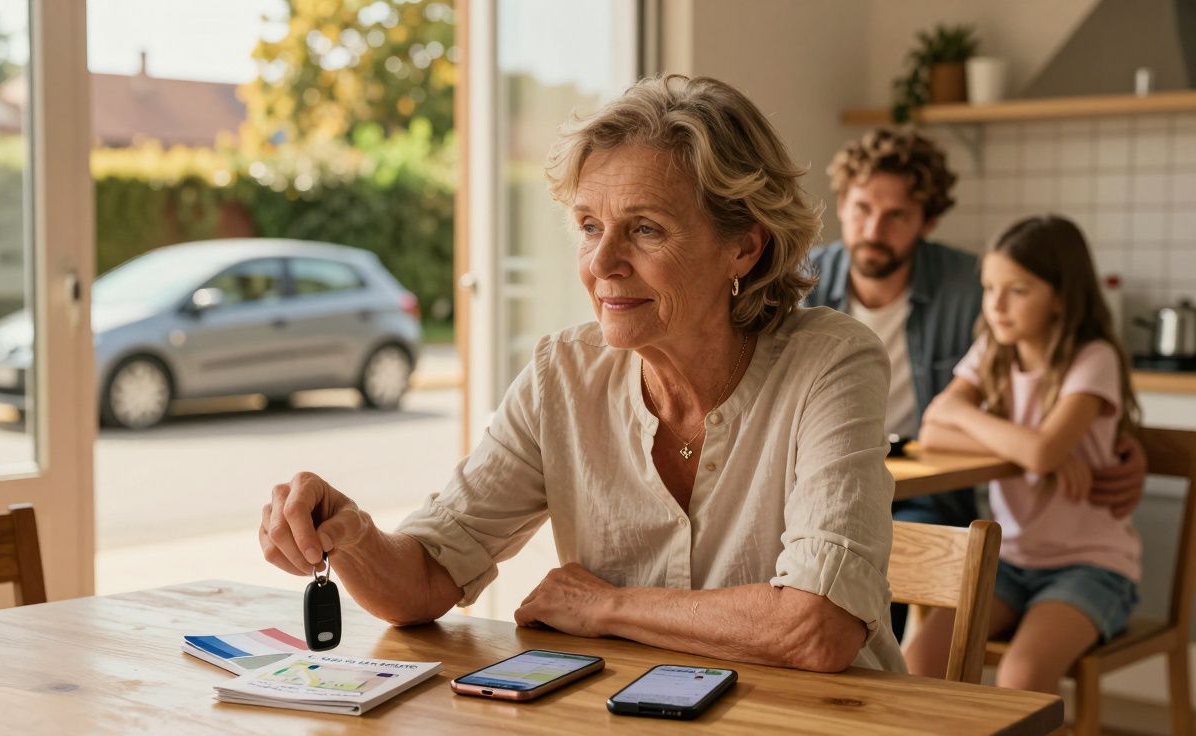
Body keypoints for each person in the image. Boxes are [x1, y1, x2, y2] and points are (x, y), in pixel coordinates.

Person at [260, 74, 905, 672]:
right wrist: (352, 536)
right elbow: (427, 577)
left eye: (645, 229)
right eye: (590, 226)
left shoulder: (830, 361)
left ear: (744, 245)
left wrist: (607, 607)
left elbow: (817, 627)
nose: (602, 263)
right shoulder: (561, 374)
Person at [803, 129, 1147, 640]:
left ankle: (878, 678)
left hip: (927, 492)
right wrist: (1039, 448)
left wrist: (1114, 447)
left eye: (897, 215)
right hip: (821, 478)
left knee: (896, 551)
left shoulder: (974, 285)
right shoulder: (800, 282)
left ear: (928, 221)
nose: (874, 229)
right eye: (861, 209)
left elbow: (1060, 366)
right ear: (841, 204)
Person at [907, 215, 1141, 693]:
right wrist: (1032, 447)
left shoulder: (1092, 358)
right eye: (989, 288)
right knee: (920, 659)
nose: (996, 305)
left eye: (1017, 290)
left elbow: (1040, 452)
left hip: (1091, 565)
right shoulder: (991, 350)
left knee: (1022, 676)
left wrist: (969, 416)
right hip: (1010, 561)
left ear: (1061, 296)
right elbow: (932, 430)